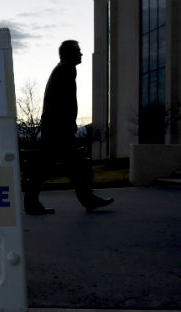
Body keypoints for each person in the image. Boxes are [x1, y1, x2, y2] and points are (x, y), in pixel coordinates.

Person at [24, 40, 114, 214]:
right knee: (72, 166)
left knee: (51, 167)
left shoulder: (62, 69)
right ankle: (87, 200)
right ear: (68, 53)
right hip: (58, 130)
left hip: (55, 129)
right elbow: (64, 103)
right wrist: (68, 126)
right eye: (78, 51)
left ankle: (33, 203)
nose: (81, 54)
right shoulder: (66, 70)